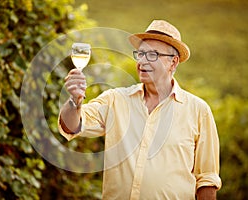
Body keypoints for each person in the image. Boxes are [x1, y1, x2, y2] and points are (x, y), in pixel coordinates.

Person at [58, 19, 222, 200]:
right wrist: (75, 100)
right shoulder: (115, 100)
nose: (143, 61)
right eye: (141, 54)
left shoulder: (199, 111)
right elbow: (72, 125)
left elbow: (207, 180)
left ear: (173, 63)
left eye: (152, 55)